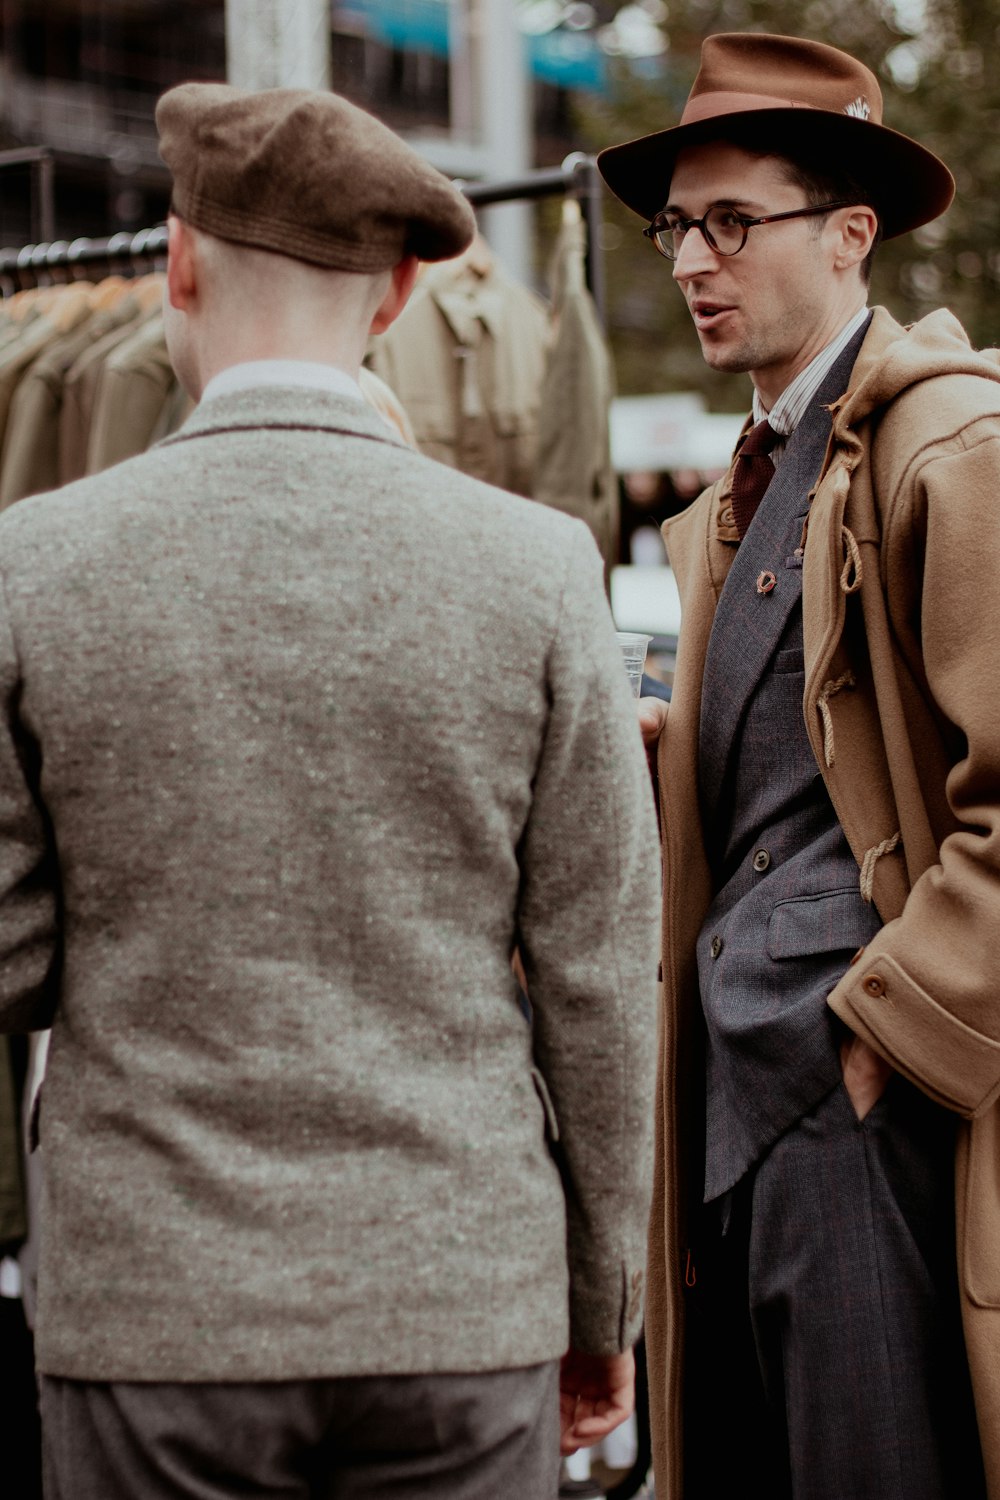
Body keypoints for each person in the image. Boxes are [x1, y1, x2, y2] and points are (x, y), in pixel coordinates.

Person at [0, 84, 661, 1499]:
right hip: (458, 1297)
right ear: (403, 295)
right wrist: (601, 1306)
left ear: (176, 261)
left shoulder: (30, 565)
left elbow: (6, 950)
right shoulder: (539, 568)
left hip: (156, 1310)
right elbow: (603, 985)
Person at [598, 30, 1000, 1500]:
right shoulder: (737, 492)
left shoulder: (947, 447)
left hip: (852, 1106)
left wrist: (881, 1042)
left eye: (731, 221)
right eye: (676, 228)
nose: (693, 261)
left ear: (850, 235)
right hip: (731, 1100)